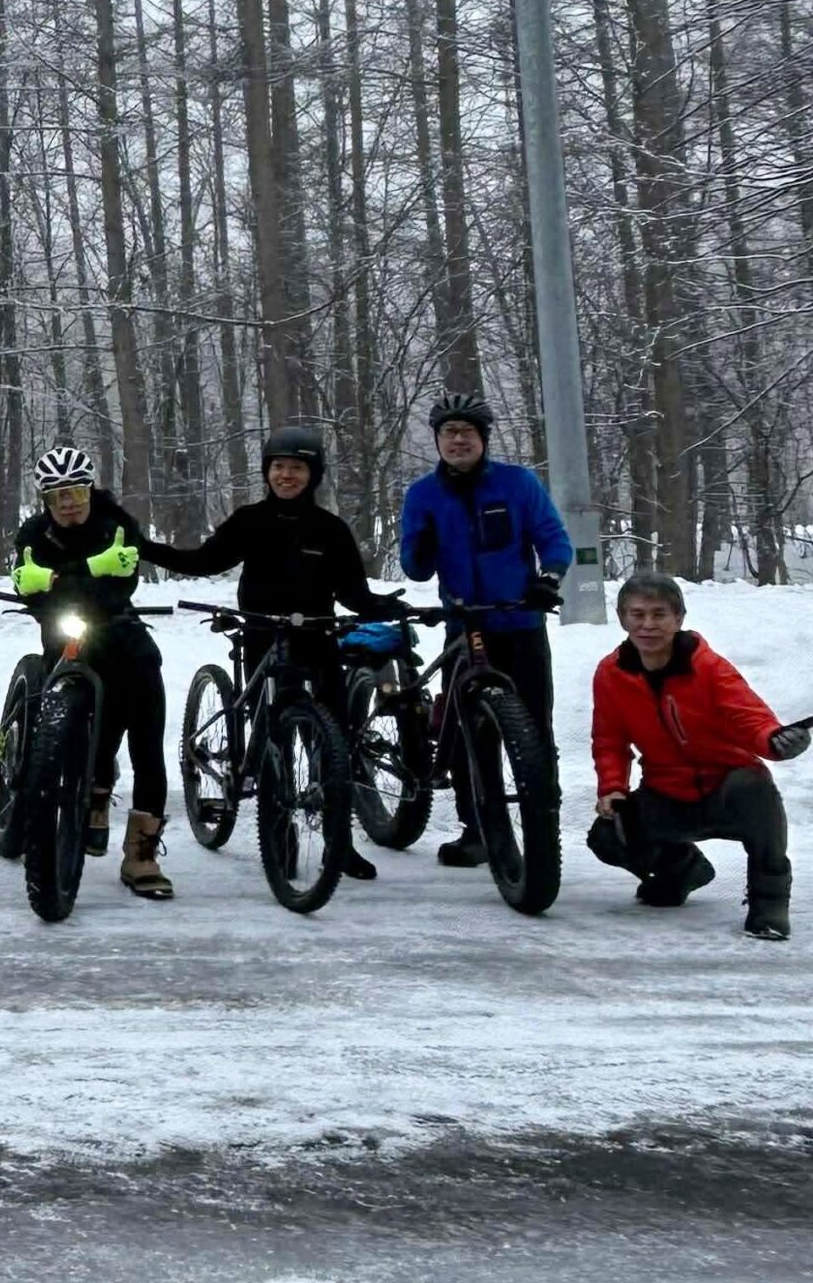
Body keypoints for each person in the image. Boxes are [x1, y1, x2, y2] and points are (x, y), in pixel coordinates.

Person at [141, 427, 403, 880]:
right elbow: (203, 561)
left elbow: (353, 594)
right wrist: (145, 547)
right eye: (278, 467)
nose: (286, 475)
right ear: (267, 471)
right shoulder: (250, 521)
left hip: (317, 637)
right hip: (264, 637)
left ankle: (337, 843)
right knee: (271, 734)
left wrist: (383, 607)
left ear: (313, 474)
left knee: (334, 742)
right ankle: (279, 833)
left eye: (296, 468)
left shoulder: (330, 529)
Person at [398, 391, 574, 869]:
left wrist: (548, 578)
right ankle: (477, 830)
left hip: (520, 621)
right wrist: (421, 547)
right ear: (437, 440)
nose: (458, 440)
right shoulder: (422, 494)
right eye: (449, 432)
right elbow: (414, 566)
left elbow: (553, 539)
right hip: (464, 625)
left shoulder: (517, 484)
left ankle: (544, 830)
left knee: (535, 729)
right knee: (466, 733)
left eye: (467, 432)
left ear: (483, 438)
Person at [588, 573, 801, 941]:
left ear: (679, 618)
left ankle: (769, 904)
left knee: (757, 789)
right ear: (622, 619)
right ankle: (682, 869)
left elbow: (749, 716)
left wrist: (774, 741)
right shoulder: (611, 674)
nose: (648, 624)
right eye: (637, 614)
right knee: (607, 836)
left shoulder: (709, 667)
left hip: (726, 789)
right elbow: (609, 739)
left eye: (659, 614)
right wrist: (613, 788)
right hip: (666, 793)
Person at [11, 443, 174, 900]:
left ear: (90, 490)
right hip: (64, 637)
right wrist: (87, 571)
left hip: (119, 633)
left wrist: (55, 578)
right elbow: (28, 591)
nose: (69, 503)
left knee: (146, 728)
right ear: (45, 499)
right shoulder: (33, 533)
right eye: (58, 495)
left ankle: (141, 854)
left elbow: (118, 588)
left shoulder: (116, 525)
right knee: (65, 719)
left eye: (77, 492)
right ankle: (84, 796)